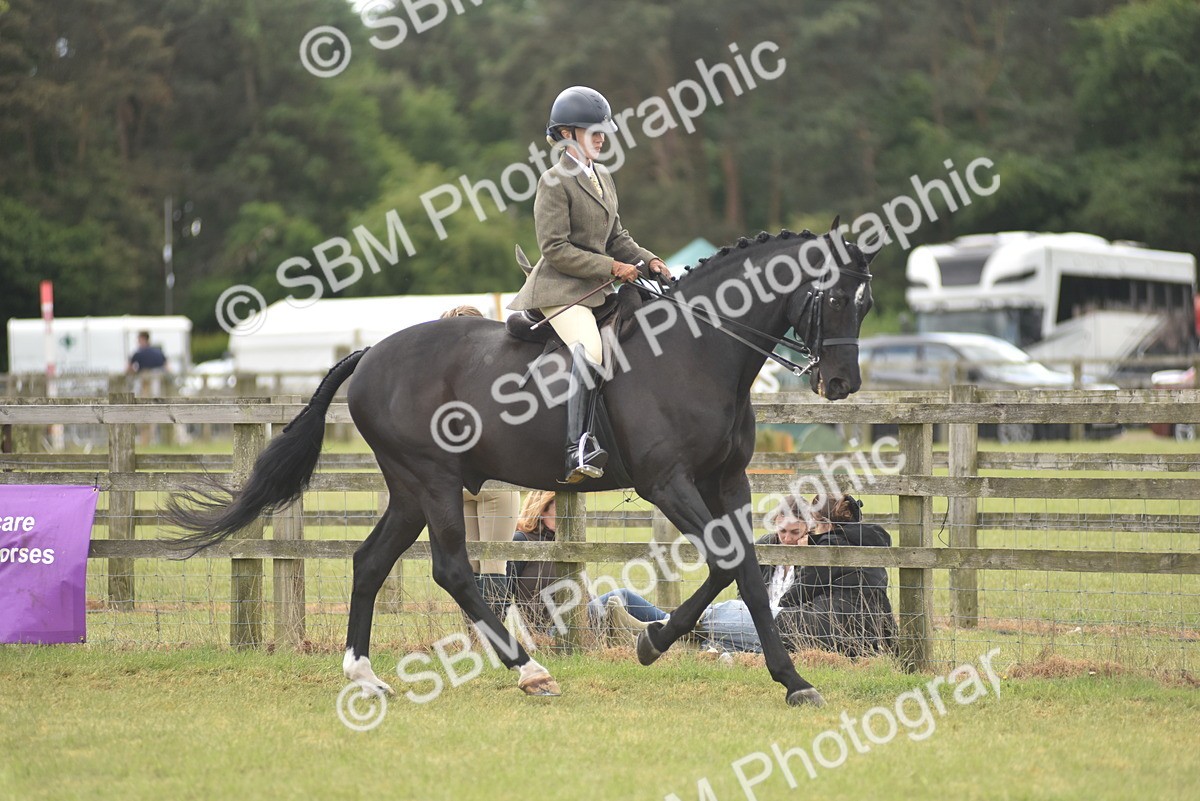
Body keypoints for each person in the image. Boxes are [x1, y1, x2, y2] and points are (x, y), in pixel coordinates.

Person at [507, 86, 672, 484]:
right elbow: (555, 248)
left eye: (603, 132)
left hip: (595, 289)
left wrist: (649, 260)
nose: (601, 138)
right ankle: (576, 448)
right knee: (592, 347)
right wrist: (612, 267)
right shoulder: (553, 181)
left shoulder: (603, 177)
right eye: (593, 131)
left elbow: (617, 236)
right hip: (560, 289)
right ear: (567, 134)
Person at [440, 305, 522, 624]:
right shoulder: (499, 376)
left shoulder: (440, 383)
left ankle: (477, 635)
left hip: (458, 480)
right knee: (492, 563)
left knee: (472, 563)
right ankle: (493, 635)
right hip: (495, 480)